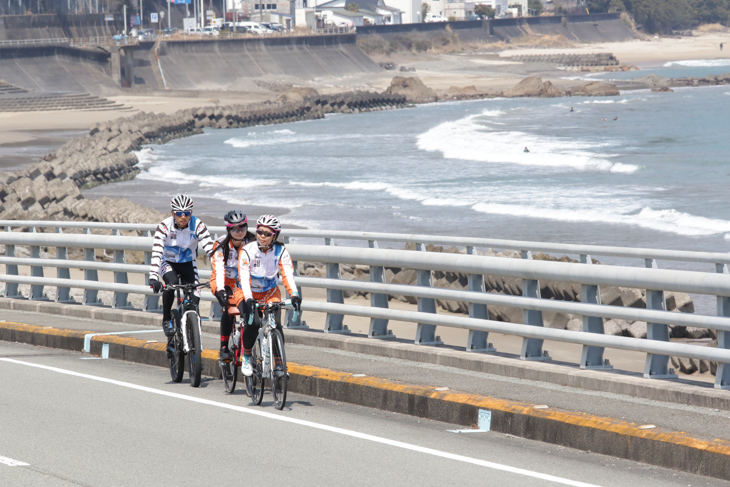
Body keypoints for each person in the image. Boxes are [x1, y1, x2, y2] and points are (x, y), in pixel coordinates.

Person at [148, 194, 216, 355]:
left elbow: (211, 250)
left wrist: (219, 274)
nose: (183, 217)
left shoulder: (198, 225)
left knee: (195, 297)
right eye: (179, 213)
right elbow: (157, 252)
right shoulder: (164, 227)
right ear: (173, 213)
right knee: (170, 285)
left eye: (187, 213)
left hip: (187, 263)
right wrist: (153, 276)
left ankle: (193, 330)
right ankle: (166, 320)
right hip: (168, 263)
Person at [237, 215, 301, 376]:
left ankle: (279, 363)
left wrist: (294, 293)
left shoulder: (281, 251)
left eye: (267, 234)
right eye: (259, 232)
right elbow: (244, 277)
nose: (262, 236)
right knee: (253, 323)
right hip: (247, 292)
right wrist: (249, 298)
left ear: (275, 236)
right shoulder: (247, 251)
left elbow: (287, 274)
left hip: (270, 292)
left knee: (276, 324)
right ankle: (246, 356)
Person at [210, 209, 256, 362]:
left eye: (242, 227)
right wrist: (221, 290)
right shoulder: (220, 245)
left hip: (244, 281)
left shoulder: (252, 243)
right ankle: (224, 347)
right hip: (223, 280)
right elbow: (219, 270)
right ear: (228, 229)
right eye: (235, 229)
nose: (239, 231)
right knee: (228, 307)